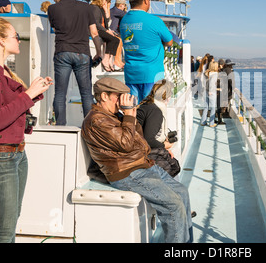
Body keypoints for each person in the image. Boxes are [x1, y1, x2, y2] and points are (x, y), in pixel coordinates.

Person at [81, 77, 193, 243]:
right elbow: (125, 144)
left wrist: (131, 114)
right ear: (104, 96)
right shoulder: (97, 120)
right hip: (127, 173)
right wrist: (128, 117)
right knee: (173, 205)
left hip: (142, 166)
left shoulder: (113, 115)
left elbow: (139, 139)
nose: (122, 100)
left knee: (182, 192)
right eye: (118, 96)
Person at [0, 17, 53, 243]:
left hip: (16, 154)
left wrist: (35, 90)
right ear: (1, 41)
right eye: (15, 36)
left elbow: (10, 109)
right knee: (2, 233)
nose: (19, 41)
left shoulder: (3, 71)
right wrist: (28, 95)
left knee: (9, 225)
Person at [48, 0, 103, 125]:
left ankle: (60, 126)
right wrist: (99, 53)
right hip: (83, 53)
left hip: (62, 52)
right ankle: (89, 127)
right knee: (86, 93)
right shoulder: (86, 7)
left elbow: (54, 28)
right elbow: (94, 32)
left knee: (60, 93)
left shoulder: (52, 9)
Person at [120, 0, 174, 103]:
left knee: (134, 111)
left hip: (131, 75)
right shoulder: (154, 20)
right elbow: (169, 42)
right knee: (152, 111)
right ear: (145, 0)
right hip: (152, 75)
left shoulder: (124, 20)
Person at [136, 79, 180, 177]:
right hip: (141, 151)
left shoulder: (146, 104)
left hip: (136, 147)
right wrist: (165, 146)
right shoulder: (155, 111)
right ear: (166, 96)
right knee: (174, 167)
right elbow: (149, 139)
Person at [91, 0, 123, 72]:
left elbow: (107, 23)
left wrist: (106, 11)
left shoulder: (100, 9)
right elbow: (96, 24)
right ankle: (105, 59)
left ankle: (109, 60)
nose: (105, 1)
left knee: (116, 39)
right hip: (96, 30)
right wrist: (107, 31)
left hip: (100, 29)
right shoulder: (94, 8)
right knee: (113, 39)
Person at [201, 61, 219, 127]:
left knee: (206, 107)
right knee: (213, 108)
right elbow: (211, 83)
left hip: (205, 91)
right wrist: (211, 91)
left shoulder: (206, 73)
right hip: (211, 92)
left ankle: (203, 121)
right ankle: (211, 123)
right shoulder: (215, 74)